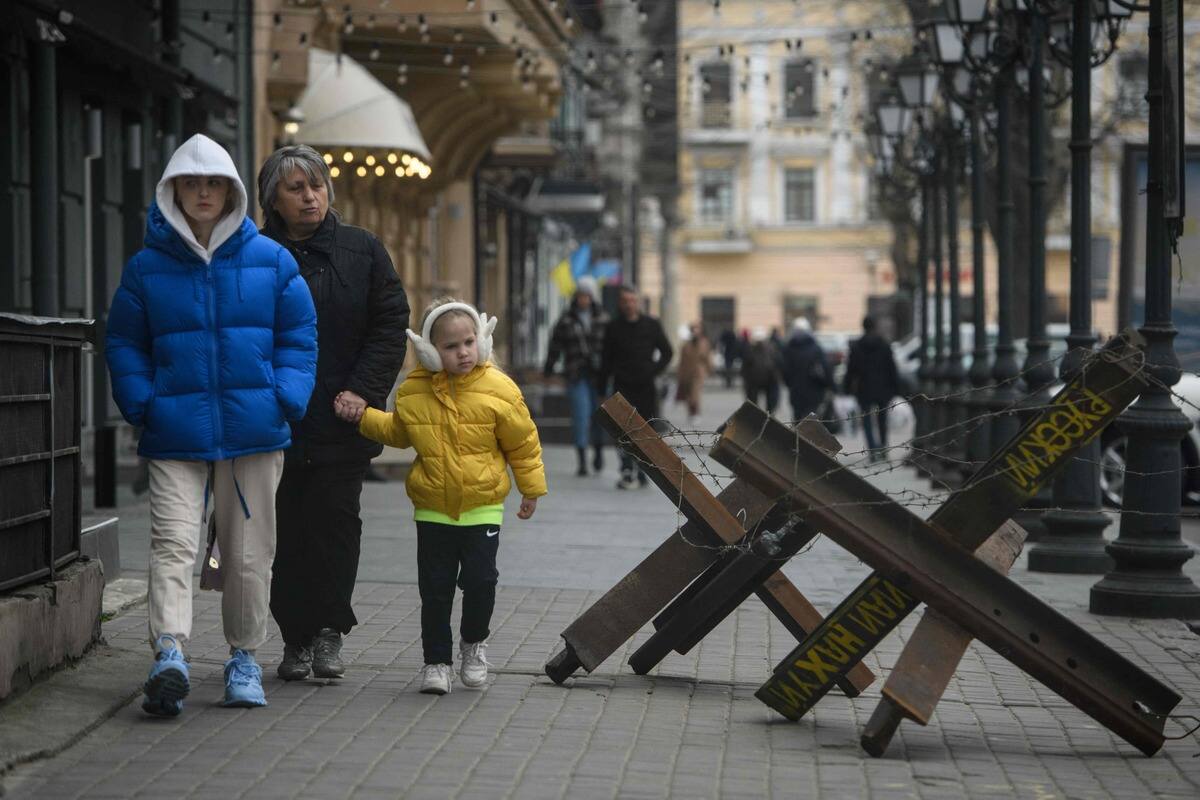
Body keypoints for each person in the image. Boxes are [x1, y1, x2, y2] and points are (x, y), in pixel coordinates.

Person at [105, 133, 317, 716]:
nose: (203, 193)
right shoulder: (147, 268)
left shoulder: (272, 261)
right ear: (173, 191)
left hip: (253, 431)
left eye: (213, 183)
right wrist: (143, 402)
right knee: (173, 543)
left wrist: (285, 397)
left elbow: (299, 337)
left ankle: (243, 658)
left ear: (232, 192)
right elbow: (124, 340)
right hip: (174, 430)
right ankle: (169, 652)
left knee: (247, 556)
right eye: (191, 184)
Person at [257, 144, 411, 683]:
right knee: (283, 534)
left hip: (342, 420)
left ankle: (328, 633)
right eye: (296, 188)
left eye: (316, 185)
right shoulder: (253, 252)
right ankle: (293, 637)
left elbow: (390, 325)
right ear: (273, 198)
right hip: (274, 421)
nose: (310, 196)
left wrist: (363, 392)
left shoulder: (362, 250)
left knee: (335, 528)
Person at [345, 298, 547, 695]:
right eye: (451, 346)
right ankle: (436, 662)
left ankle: (473, 645)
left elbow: (522, 443)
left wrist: (531, 489)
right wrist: (363, 417)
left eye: (469, 342)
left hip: (483, 505)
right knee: (435, 590)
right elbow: (399, 433)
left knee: (481, 581)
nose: (463, 353)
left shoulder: (500, 389)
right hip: (433, 509)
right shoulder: (413, 391)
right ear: (429, 351)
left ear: (482, 342)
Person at [598, 285, 674, 489]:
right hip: (621, 387)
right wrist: (600, 389)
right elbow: (605, 360)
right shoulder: (613, 327)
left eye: (633, 300)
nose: (629, 304)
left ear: (638, 302)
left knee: (645, 430)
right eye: (625, 301)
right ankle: (626, 468)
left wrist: (653, 370)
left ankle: (642, 469)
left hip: (645, 387)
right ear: (620, 304)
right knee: (622, 429)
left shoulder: (651, 325)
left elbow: (667, 352)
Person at [544, 276, 609, 476]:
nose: (584, 299)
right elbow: (555, 346)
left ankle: (598, 450)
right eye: (581, 295)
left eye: (587, 295)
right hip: (576, 374)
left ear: (592, 297)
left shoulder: (603, 319)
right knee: (581, 417)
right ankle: (582, 460)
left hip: (599, 376)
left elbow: (612, 347)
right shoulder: (566, 320)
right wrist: (549, 368)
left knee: (601, 415)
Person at [843, 315, 901, 461]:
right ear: (874, 326)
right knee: (882, 419)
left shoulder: (856, 346)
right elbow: (892, 369)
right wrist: (896, 388)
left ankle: (872, 450)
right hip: (883, 388)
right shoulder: (884, 345)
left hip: (864, 389)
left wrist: (847, 389)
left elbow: (851, 371)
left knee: (867, 420)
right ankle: (882, 448)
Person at [779, 317, 833, 423]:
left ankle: (798, 439)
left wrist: (789, 383)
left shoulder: (788, 349)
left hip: (796, 392)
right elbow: (826, 368)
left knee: (798, 420)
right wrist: (830, 385)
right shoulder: (816, 348)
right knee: (811, 422)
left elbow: (784, 371)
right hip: (814, 392)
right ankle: (808, 439)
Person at [675, 324, 712, 426]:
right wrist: (680, 374)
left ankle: (696, 413)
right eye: (694, 330)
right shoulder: (686, 345)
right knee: (687, 396)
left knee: (694, 395)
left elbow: (708, 358)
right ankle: (691, 413)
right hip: (687, 372)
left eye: (697, 330)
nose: (695, 332)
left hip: (698, 373)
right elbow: (681, 361)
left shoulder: (704, 343)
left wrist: (709, 370)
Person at [740, 327, 782, 414]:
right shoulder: (771, 348)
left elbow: (745, 367)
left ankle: (765, 416)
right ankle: (765, 416)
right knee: (757, 404)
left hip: (766, 380)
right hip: (760, 380)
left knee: (763, 404)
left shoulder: (752, 349)